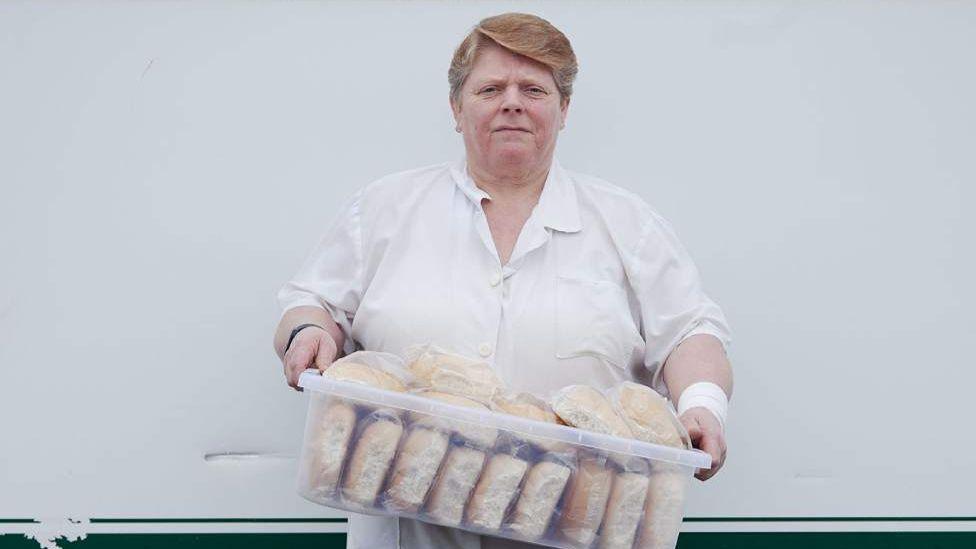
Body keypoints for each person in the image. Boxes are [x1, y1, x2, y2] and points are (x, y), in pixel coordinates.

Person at [273, 12, 733, 549]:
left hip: (584, 533)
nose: (512, 101)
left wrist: (702, 404)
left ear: (563, 111)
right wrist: (308, 333)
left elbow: (689, 331)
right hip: (406, 534)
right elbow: (311, 302)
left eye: (533, 89)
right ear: (456, 108)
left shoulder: (628, 224)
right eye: (490, 88)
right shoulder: (385, 209)